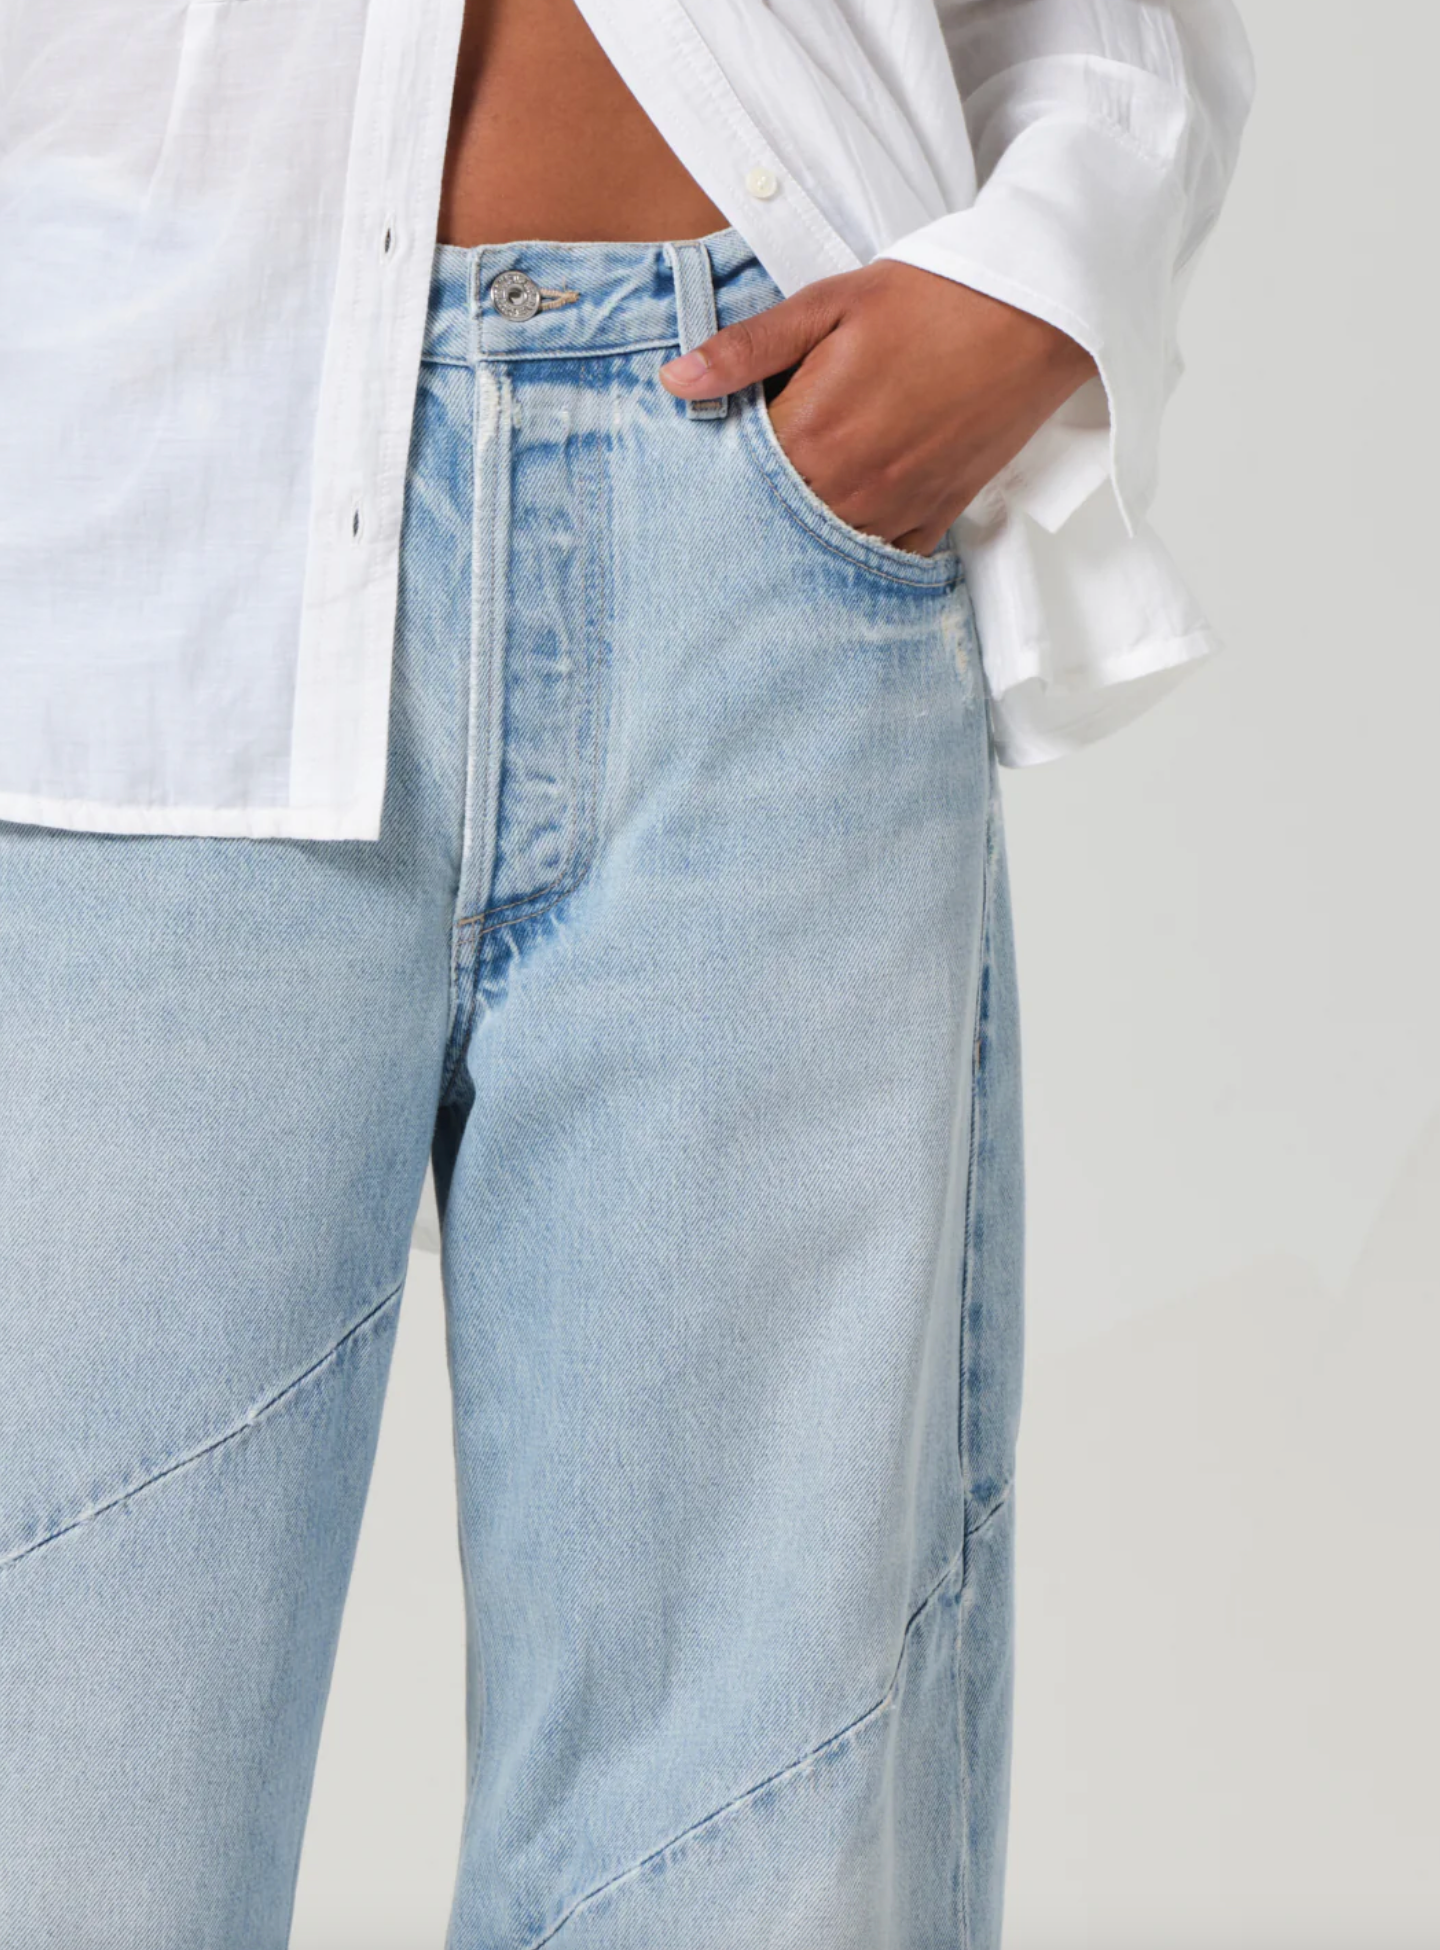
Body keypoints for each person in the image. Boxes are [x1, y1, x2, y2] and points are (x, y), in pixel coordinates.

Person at [0, 1, 1254, 1943]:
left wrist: (1042, 271)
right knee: (54, 1805)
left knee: (752, 1854)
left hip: (760, 512)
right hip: (123, 531)